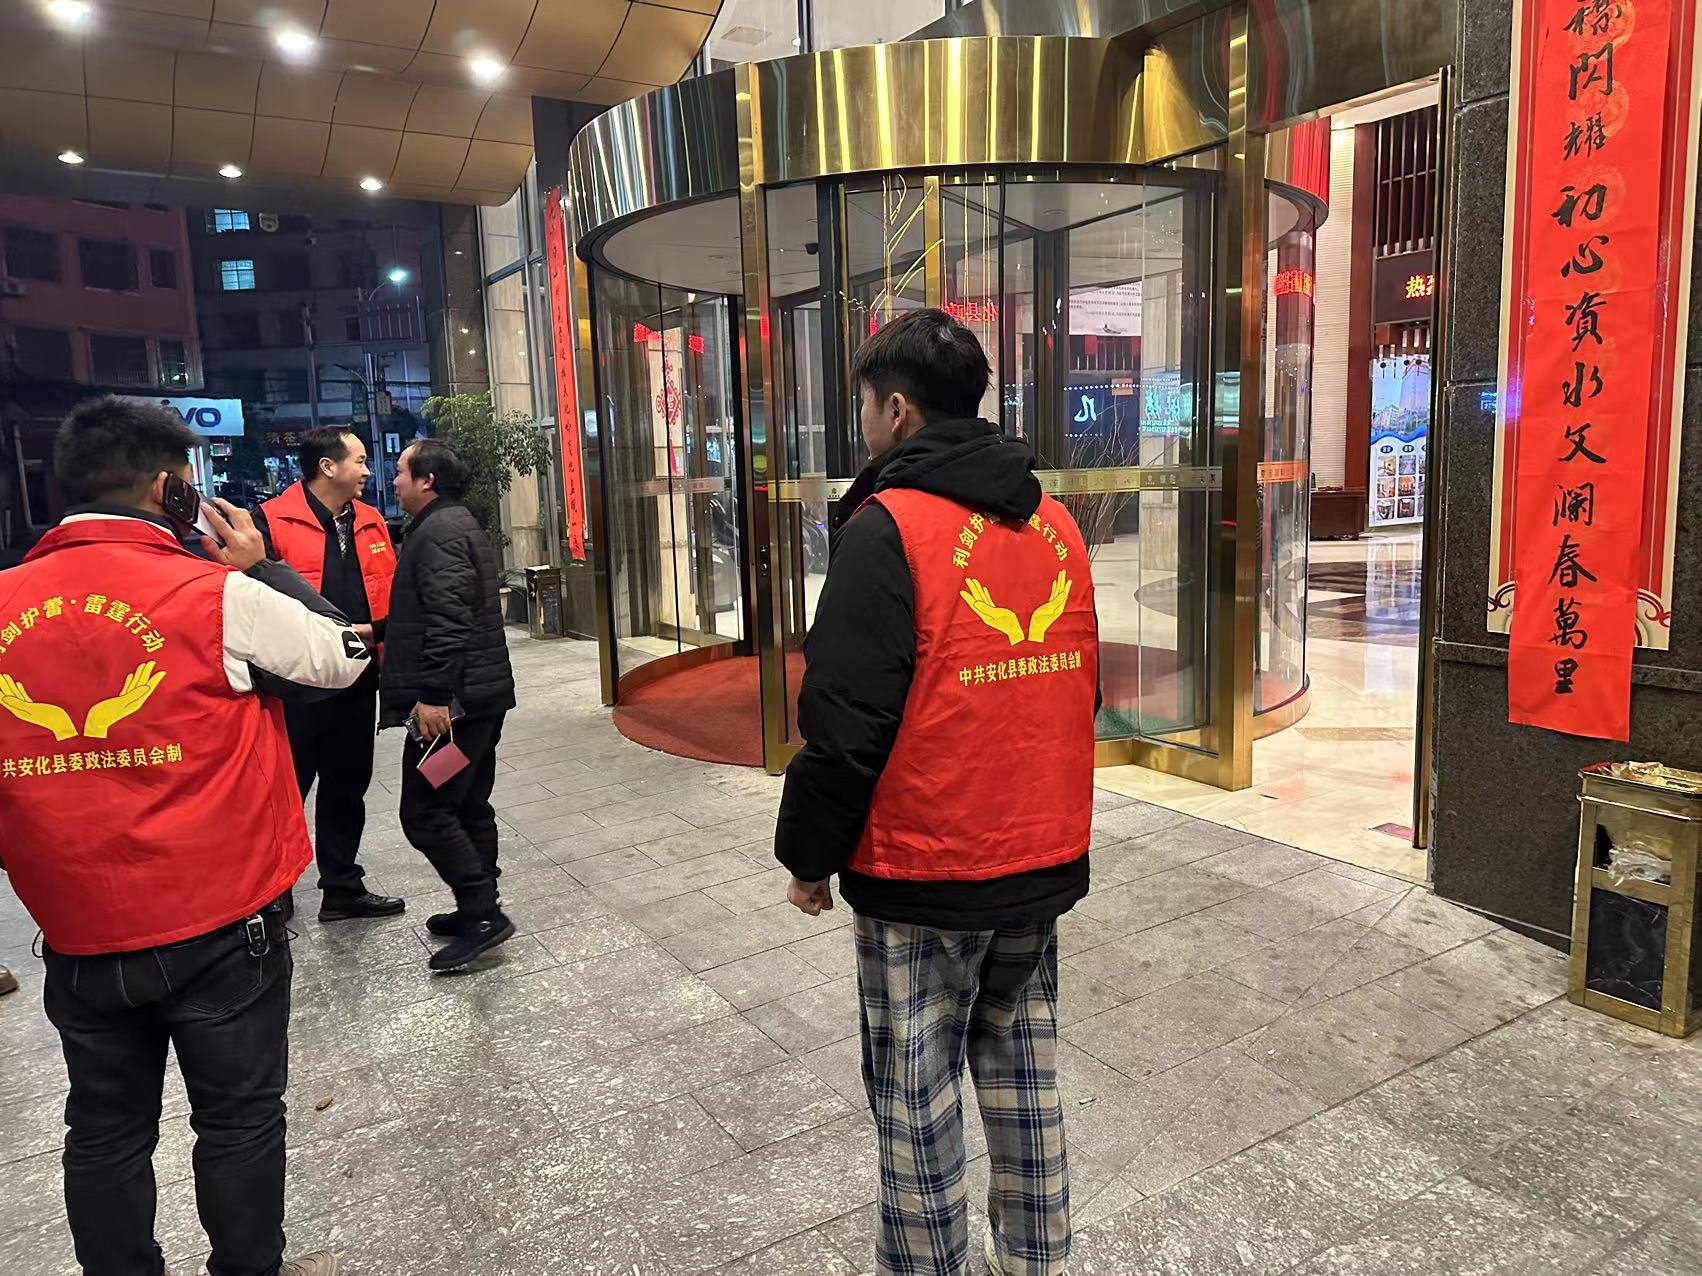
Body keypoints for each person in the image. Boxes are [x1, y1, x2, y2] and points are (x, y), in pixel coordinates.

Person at [0, 398, 368, 1276]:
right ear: (170, 489)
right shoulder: (216, 595)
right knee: (238, 1119)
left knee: (103, 1128)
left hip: (79, 929)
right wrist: (263, 565)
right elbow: (346, 655)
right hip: (220, 922)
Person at [775, 309, 1099, 1276]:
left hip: (925, 866)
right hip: (1038, 855)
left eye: (864, 406)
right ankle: (1036, 1257)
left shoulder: (890, 530)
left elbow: (844, 718)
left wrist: (808, 857)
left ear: (898, 410)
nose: (863, 423)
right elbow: (1081, 689)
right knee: (1023, 1070)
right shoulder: (1055, 524)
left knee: (917, 1097)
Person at [253, 428, 405, 922]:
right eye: (359, 461)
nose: (367, 471)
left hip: (358, 677)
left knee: (347, 784)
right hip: (296, 684)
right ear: (327, 466)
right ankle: (273, 889)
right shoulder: (269, 521)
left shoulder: (371, 520)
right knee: (286, 789)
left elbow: (390, 592)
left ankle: (342, 887)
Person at [382, 438, 518, 971]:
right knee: (466, 802)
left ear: (427, 480)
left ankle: (483, 913)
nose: (394, 480)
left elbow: (449, 617)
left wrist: (434, 695)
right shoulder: (450, 523)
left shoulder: (438, 531)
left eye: (400, 471)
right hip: (477, 701)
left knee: (426, 810)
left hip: (454, 711)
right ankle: (478, 906)